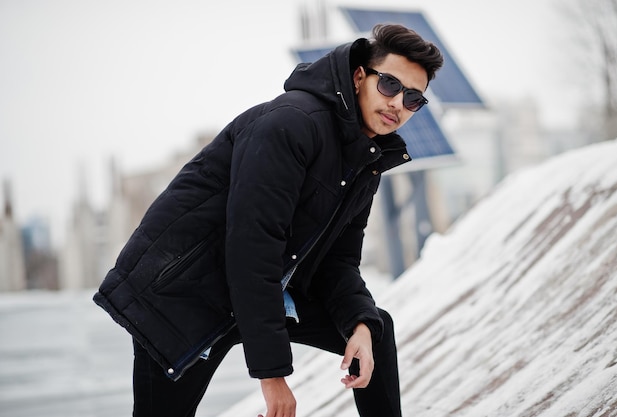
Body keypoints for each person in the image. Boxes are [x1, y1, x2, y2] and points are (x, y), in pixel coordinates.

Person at [94, 23, 443, 417]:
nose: (398, 103)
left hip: (256, 290)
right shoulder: (291, 123)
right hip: (185, 292)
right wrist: (273, 377)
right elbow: (251, 249)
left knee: (375, 329)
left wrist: (359, 324)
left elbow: (338, 262)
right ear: (360, 76)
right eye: (390, 85)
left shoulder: (366, 161)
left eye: (414, 98)